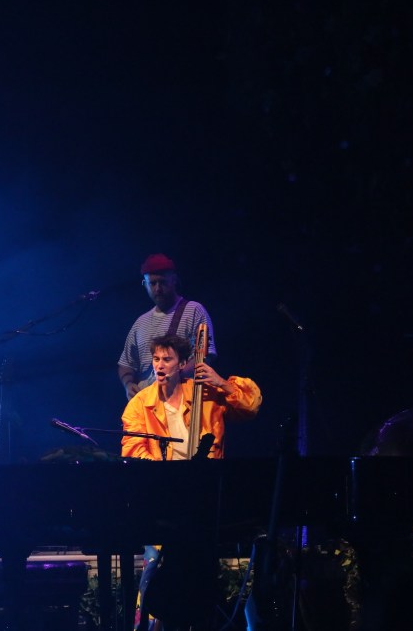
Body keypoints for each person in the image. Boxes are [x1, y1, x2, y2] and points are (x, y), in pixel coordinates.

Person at [121, 334, 262, 631]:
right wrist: (168, 479)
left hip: (205, 500)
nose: (160, 365)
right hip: (163, 502)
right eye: (156, 359)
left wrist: (222, 383)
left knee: (200, 573)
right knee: (155, 565)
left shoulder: (206, 395)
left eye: (167, 359)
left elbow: (250, 407)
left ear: (183, 363)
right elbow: (133, 452)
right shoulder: (140, 404)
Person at [118, 253, 216, 400]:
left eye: (162, 282)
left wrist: (174, 377)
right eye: (152, 283)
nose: (158, 289)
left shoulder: (194, 311)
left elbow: (204, 357)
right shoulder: (140, 322)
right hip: (146, 404)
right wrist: (128, 384)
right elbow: (126, 363)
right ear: (144, 284)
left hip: (181, 399)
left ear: (174, 280)